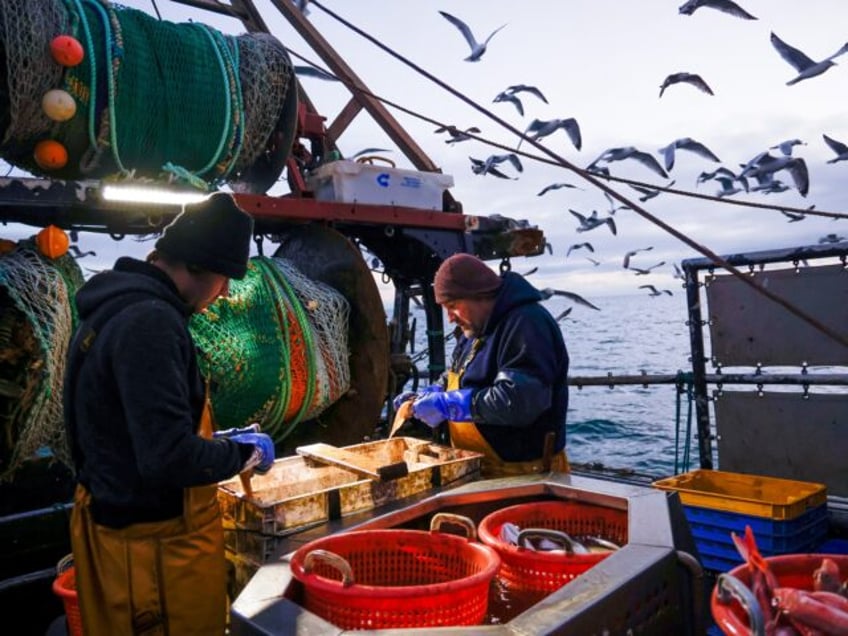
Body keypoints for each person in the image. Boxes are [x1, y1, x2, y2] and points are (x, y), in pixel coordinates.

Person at [63, 192, 275, 635]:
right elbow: (167, 458)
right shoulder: (151, 323)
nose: (226, 293)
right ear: (200, 267)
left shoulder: (115, 307)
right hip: (151, 562)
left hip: (123, 539)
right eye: (225, 278)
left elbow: (130, 429)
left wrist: (217, 442)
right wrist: (239, 455)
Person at [394, 253, 569, 477]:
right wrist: (434, 391)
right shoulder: (474, 329)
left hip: (528, 474)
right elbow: (457, 374)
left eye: (453, 305)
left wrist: (448, 405)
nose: (449, 318)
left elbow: (519, 400)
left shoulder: (527, 323)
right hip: (479, 469)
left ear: (479, 294)